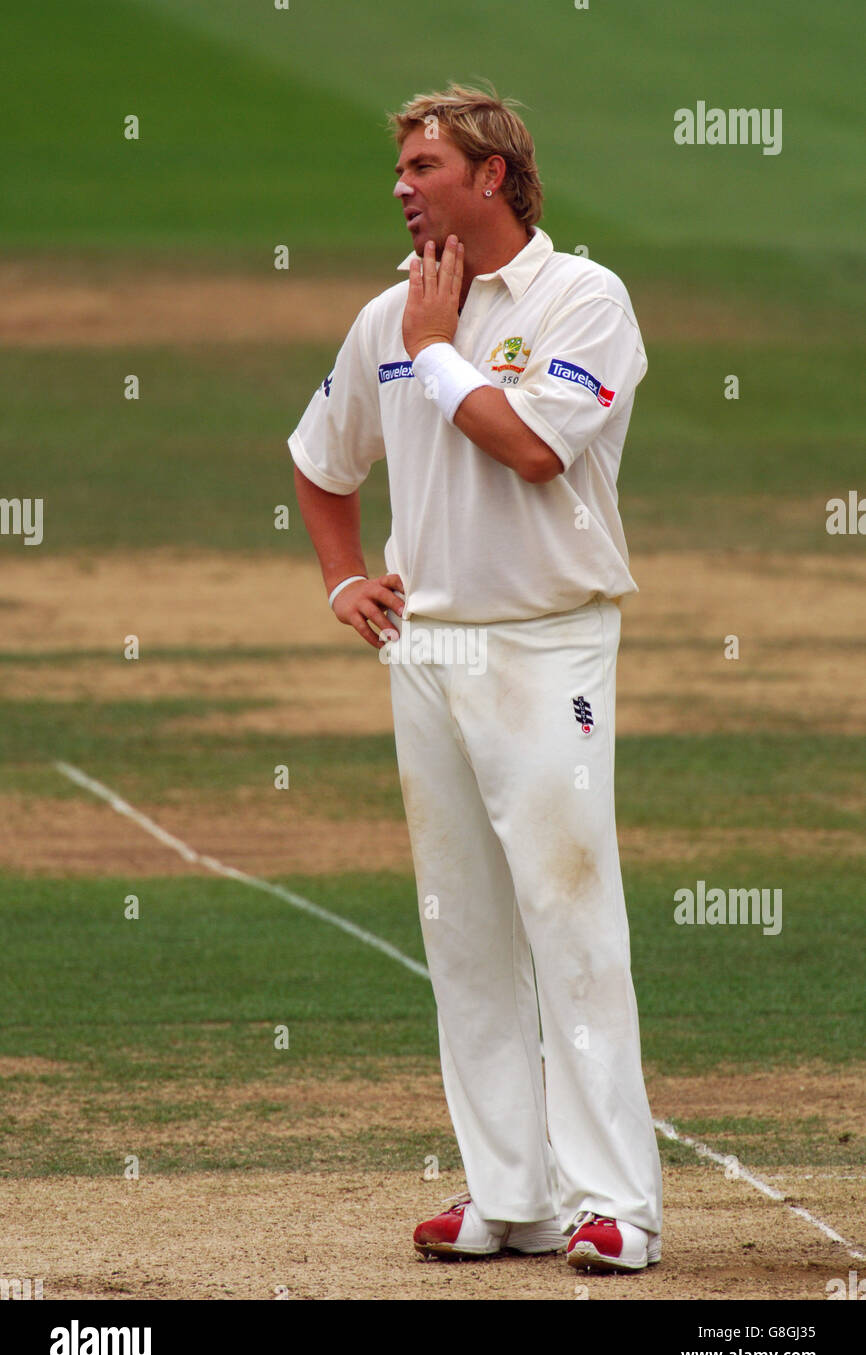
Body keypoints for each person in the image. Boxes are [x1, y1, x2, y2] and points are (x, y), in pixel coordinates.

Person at [289, 82, 662, 1275]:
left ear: (491, 176)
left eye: (424, 165)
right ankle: (512, 1195)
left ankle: (617, 1205)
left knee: (568, 912)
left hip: (547, 641)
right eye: (399, 168)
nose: (400, 187)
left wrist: (437, 355)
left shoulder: (581, 299)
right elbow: (318, 459)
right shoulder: (383, 319)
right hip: (429, 650)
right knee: (461, 929)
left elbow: (537, 448)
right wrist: (346, 580)